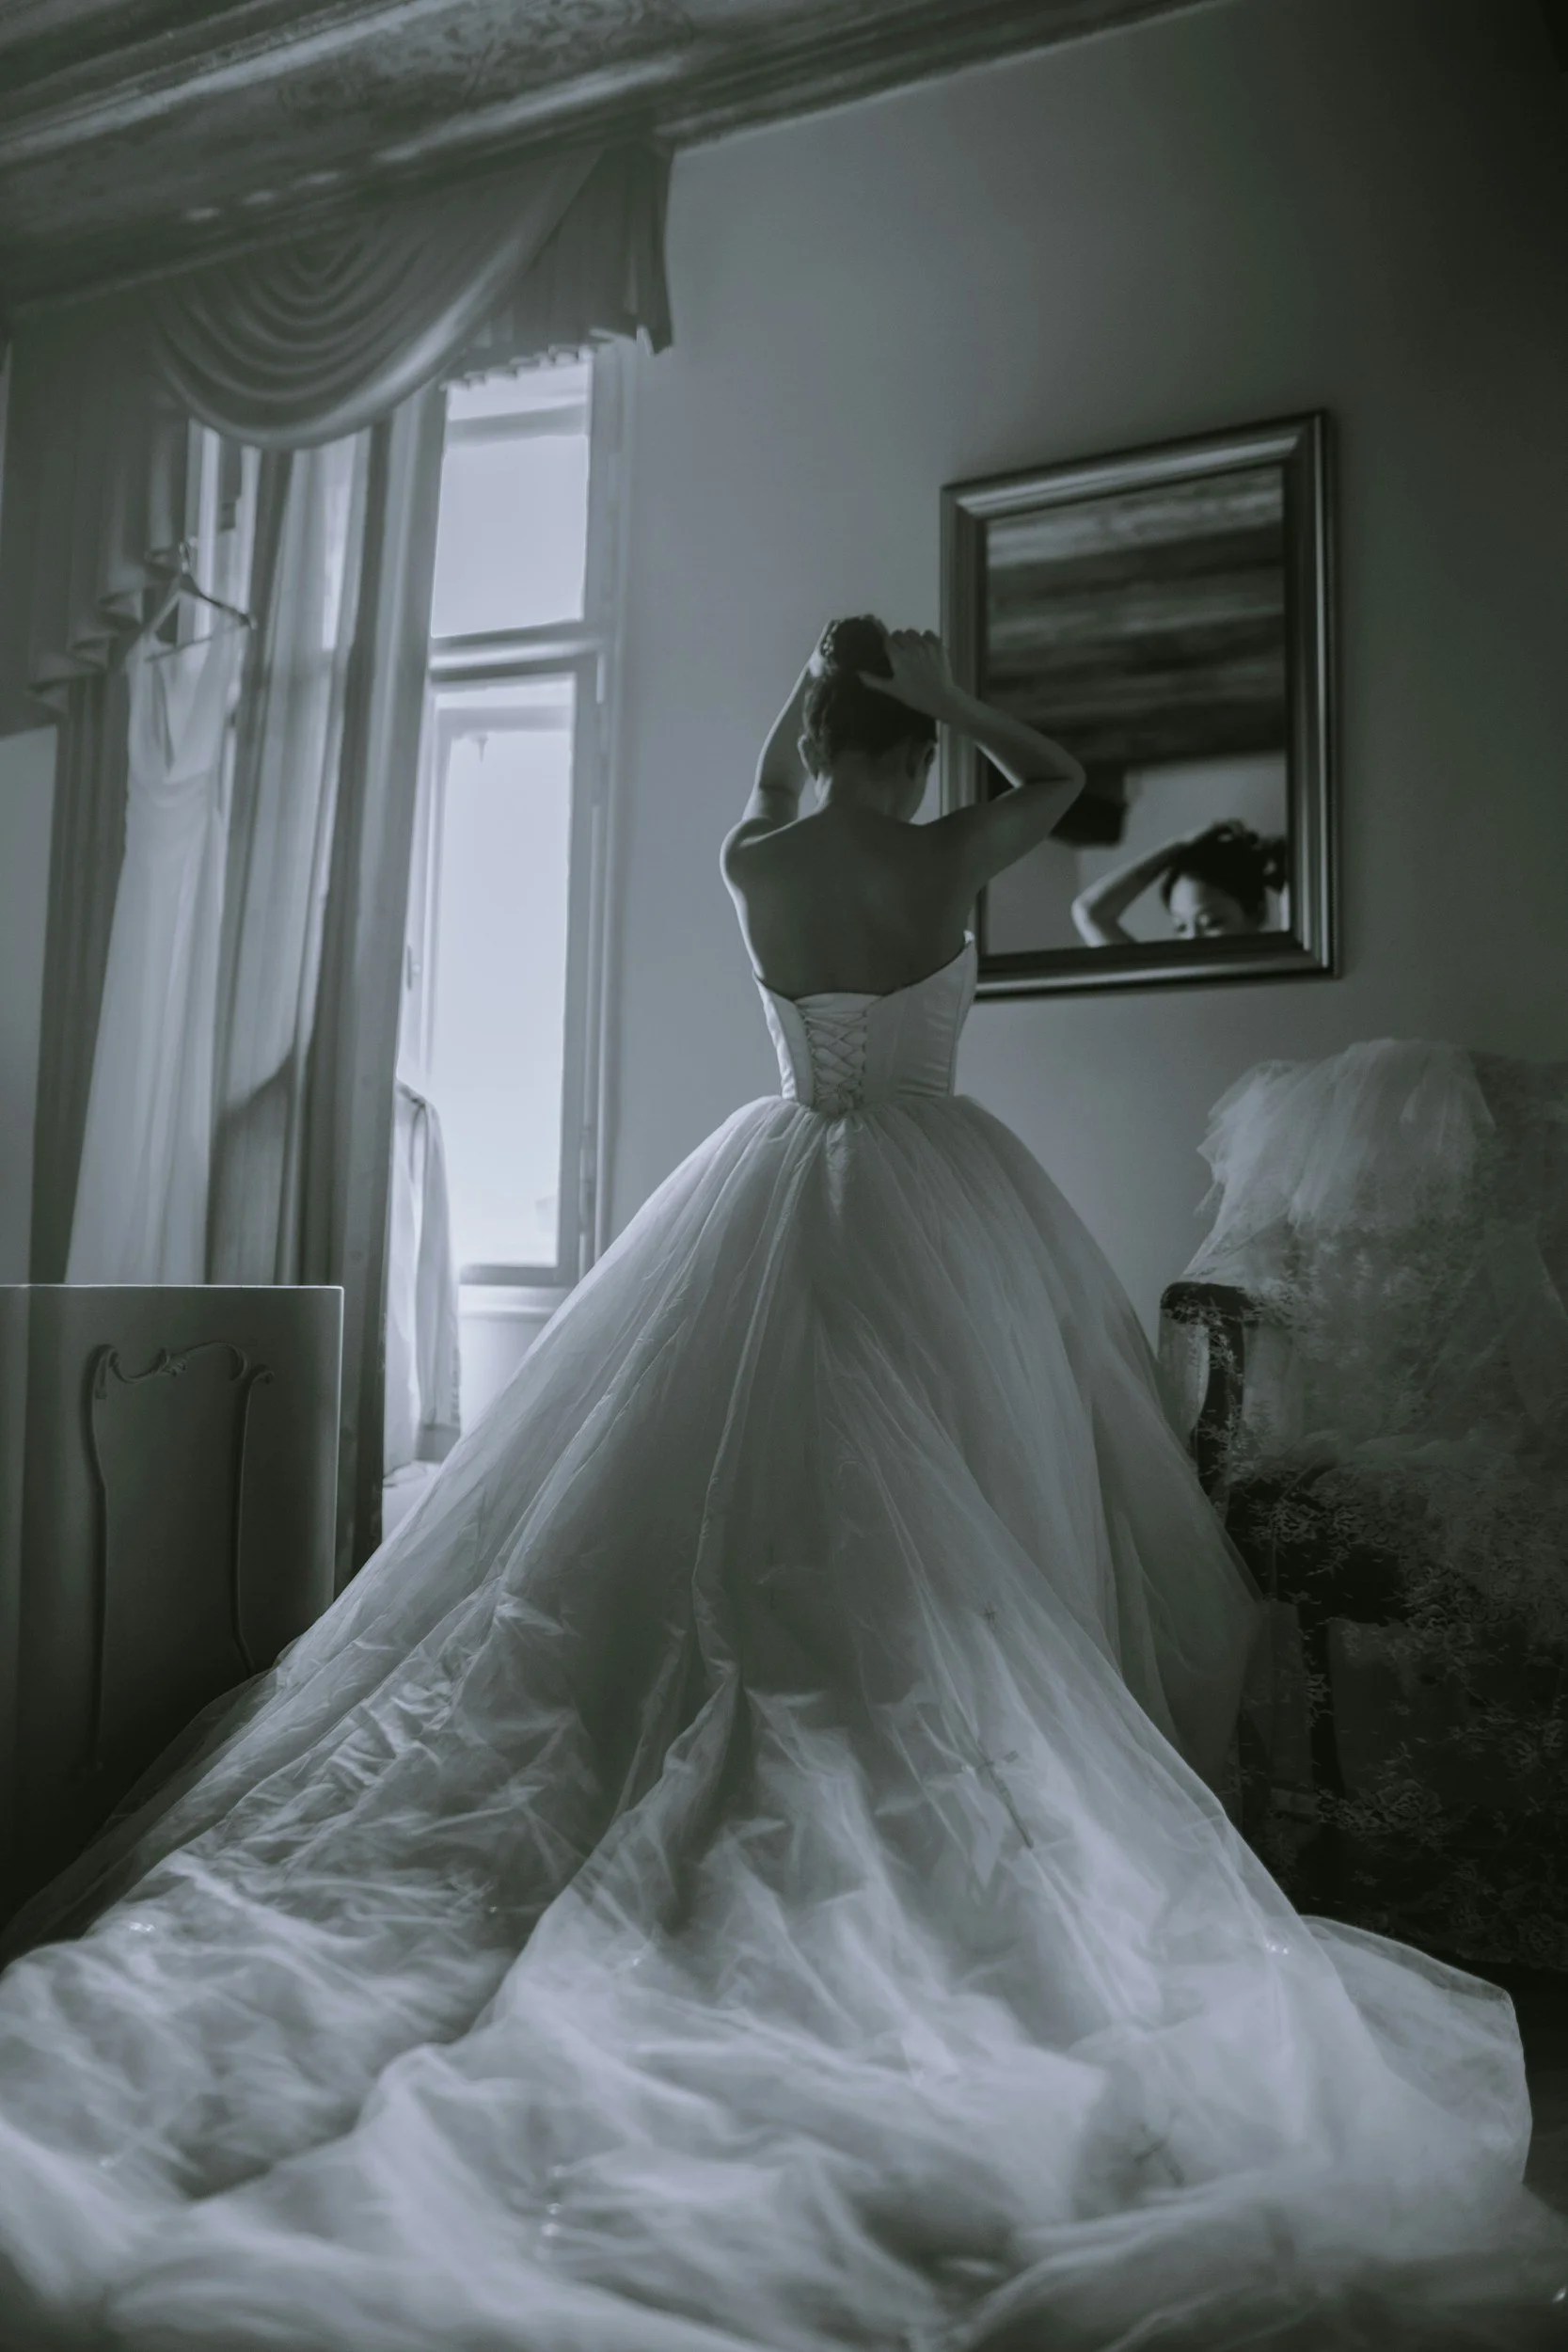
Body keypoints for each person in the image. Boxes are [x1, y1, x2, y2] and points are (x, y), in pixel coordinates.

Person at [0, 619, 1560, 2352]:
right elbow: (1061, 782)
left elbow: (762, 784)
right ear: (912, 752)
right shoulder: (940, 844)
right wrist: (948, 688)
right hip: (931, 1204)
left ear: (824, 740)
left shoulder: (761, 854)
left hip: (772, 1181)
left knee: (704, 1536)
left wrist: (817, 686)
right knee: (944, 1549)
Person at [1072, 816, 1289, 946]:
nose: (1192, 940)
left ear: (1257, 914)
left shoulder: (1290, 967)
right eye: (1181, 927)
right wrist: (1178, 845)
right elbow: (1091, 912)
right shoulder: (1168, 983)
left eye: (1211, 923)